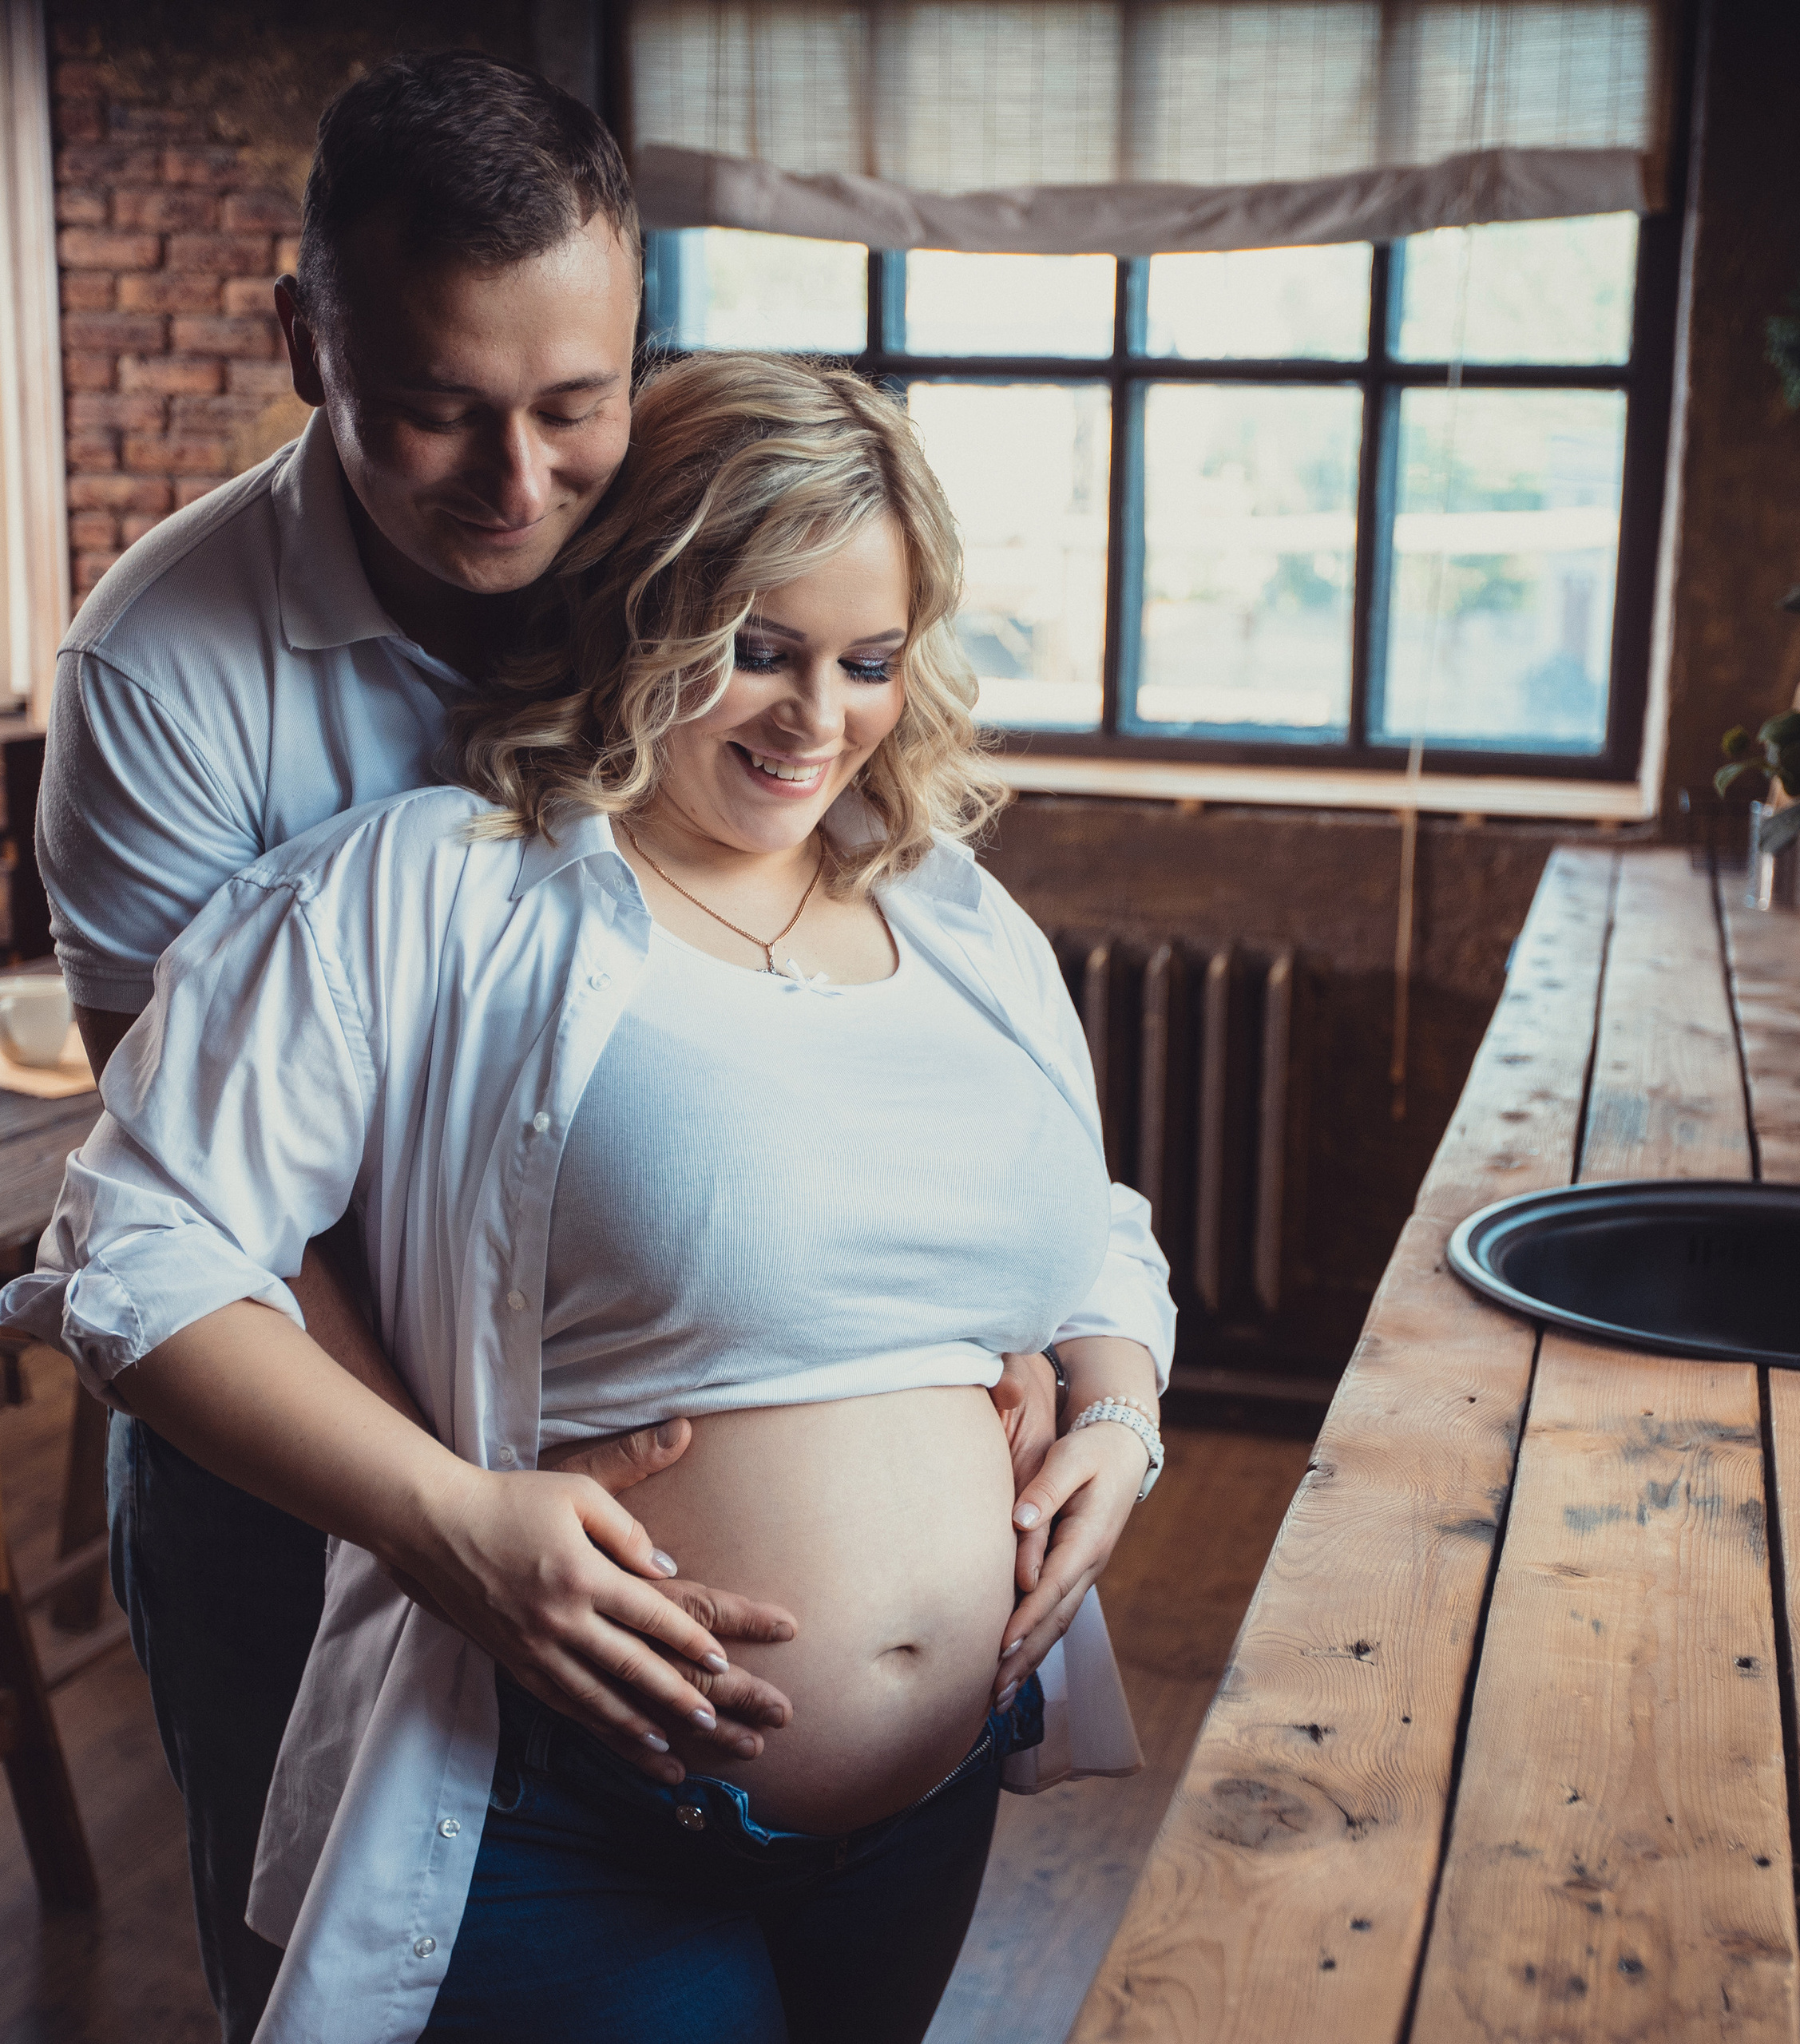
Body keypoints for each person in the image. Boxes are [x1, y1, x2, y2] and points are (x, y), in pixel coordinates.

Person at [5, 349, 1175, 2044]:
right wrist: (441, 1516)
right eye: (755, 651)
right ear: (642, 608)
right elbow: (134, 1248)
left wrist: (1115, 1414)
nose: (813, 718)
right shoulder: (427, 888)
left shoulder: (955, 914)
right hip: (569, 1798)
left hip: (927, 1807)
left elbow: (1090, 1227)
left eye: (866, 659)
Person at [31, 51, 926, 2041]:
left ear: (637, 344)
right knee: (341, 1981)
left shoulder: (700, 574)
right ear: (305, 339)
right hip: (305, 1475)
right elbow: (196, 1204)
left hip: (665, 1532)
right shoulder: (165, 666)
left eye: (572, 408)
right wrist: (457, 1511)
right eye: (434, 409)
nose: (514, 487)